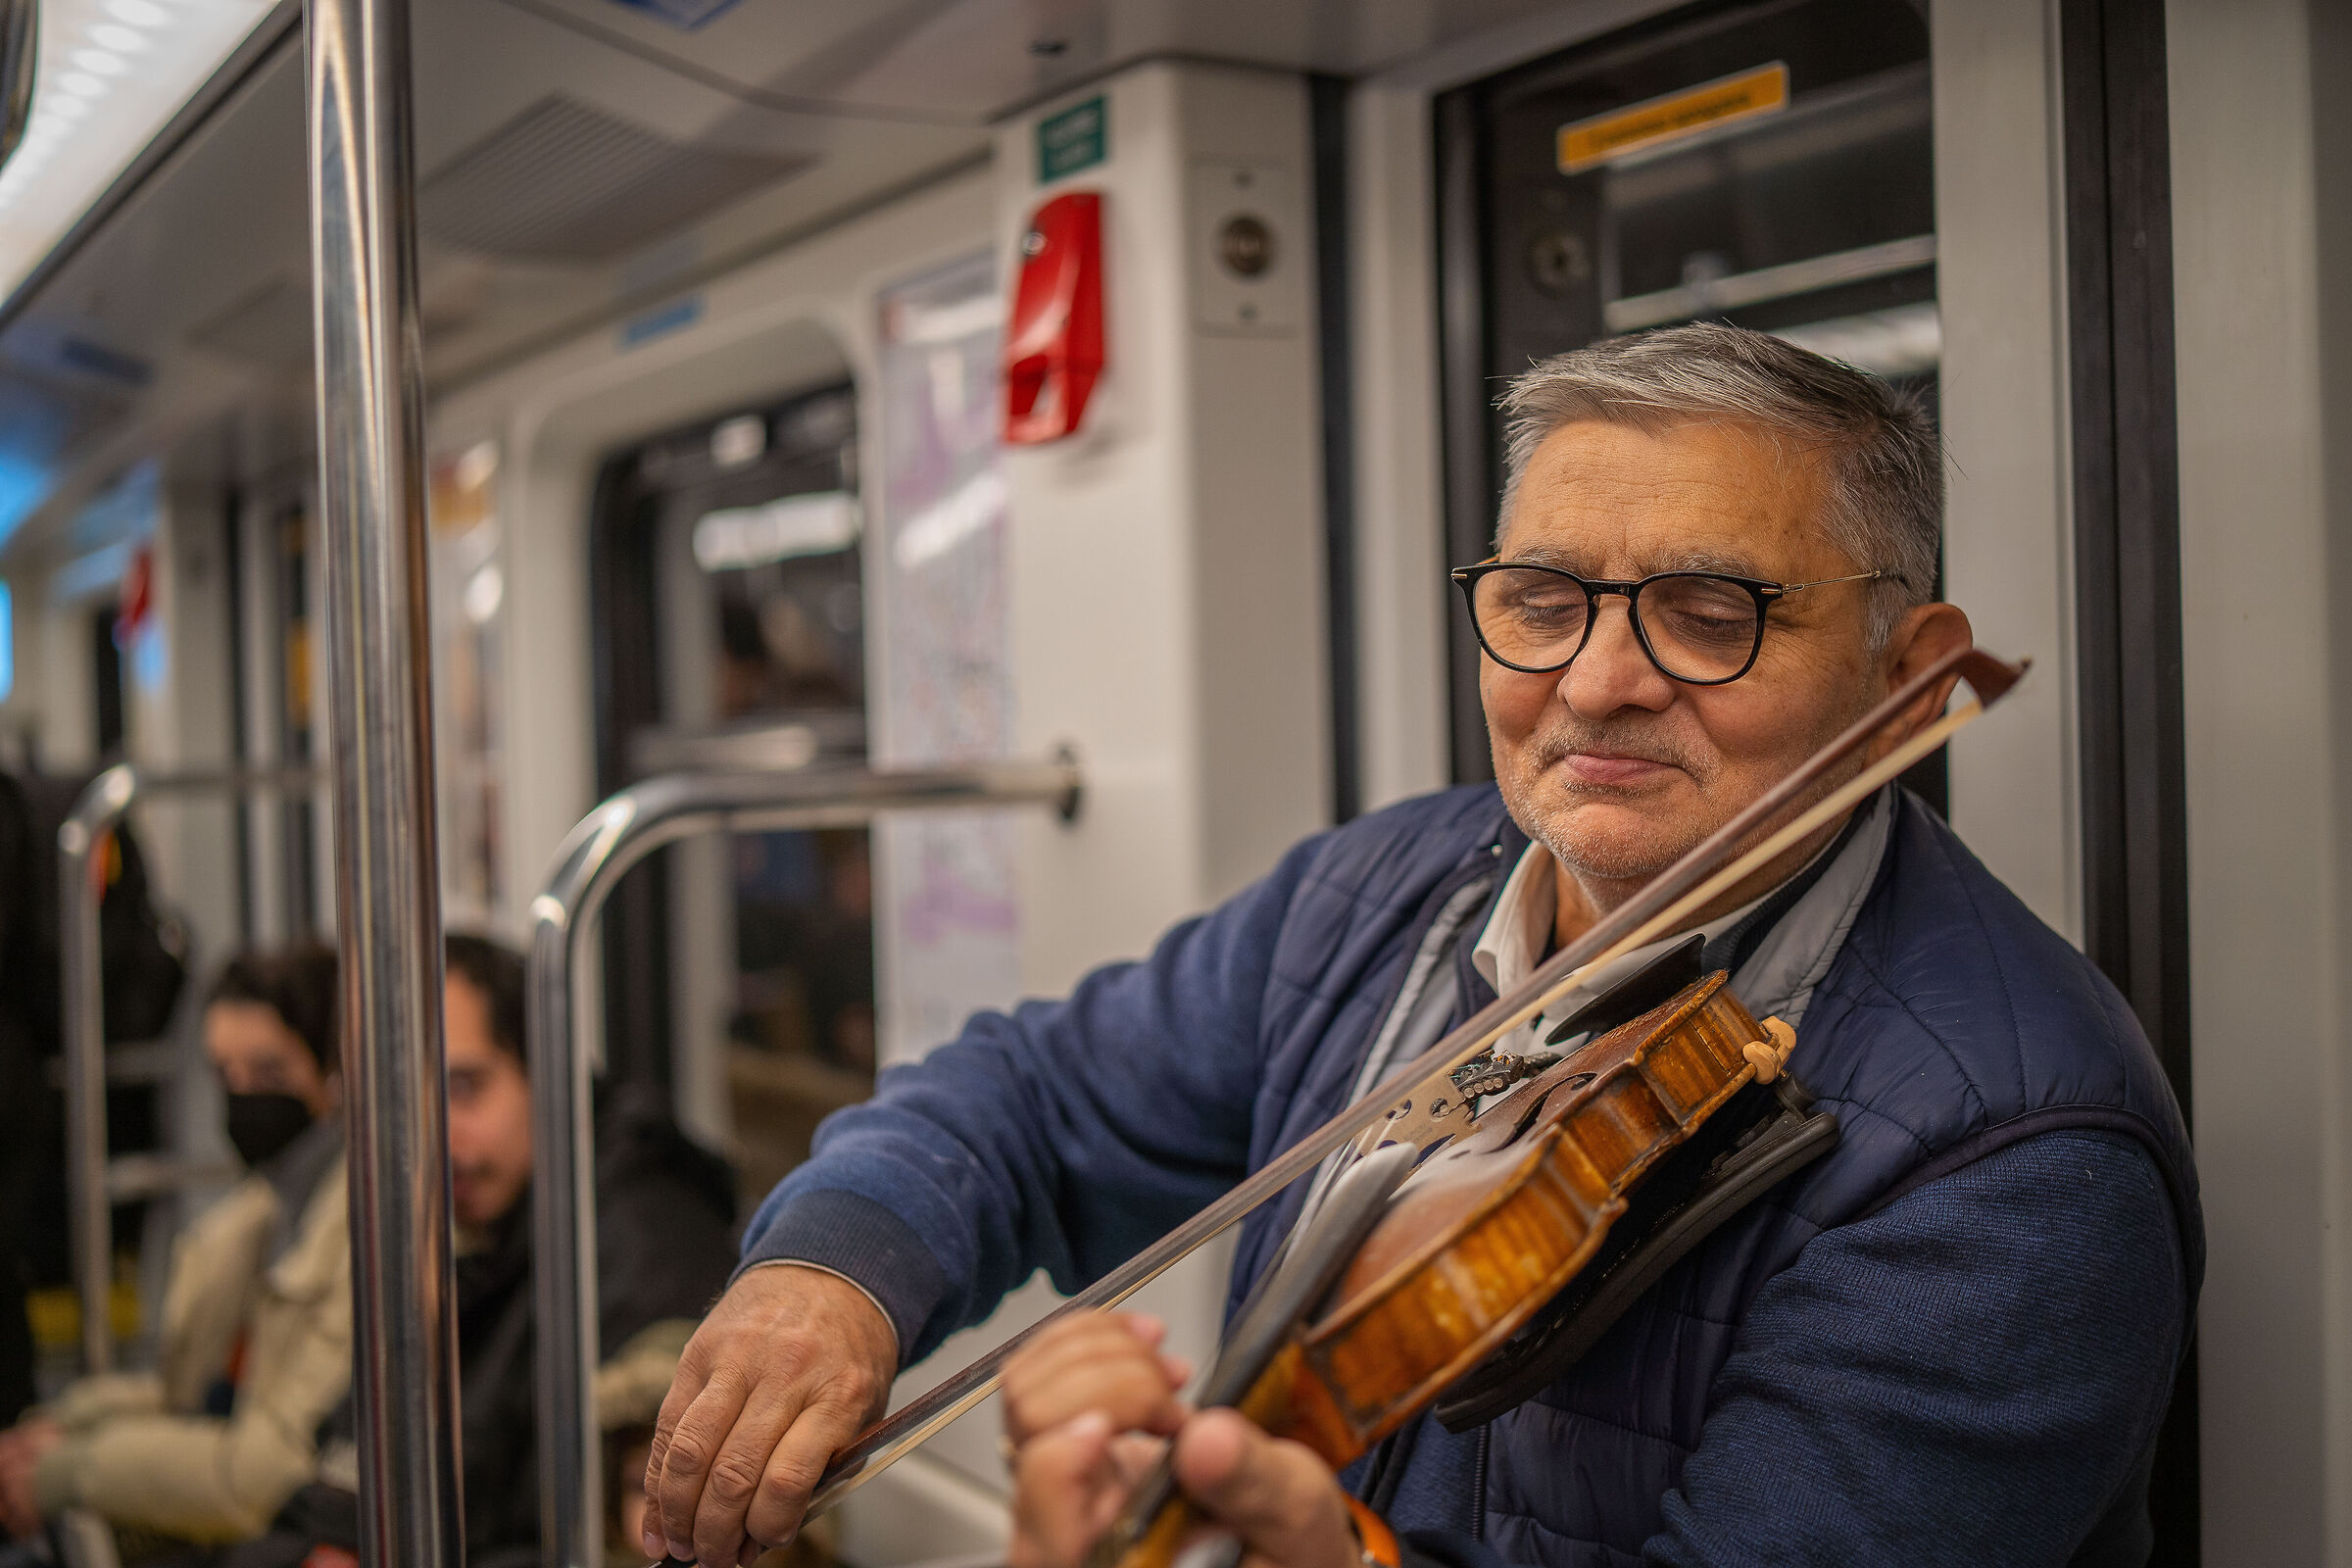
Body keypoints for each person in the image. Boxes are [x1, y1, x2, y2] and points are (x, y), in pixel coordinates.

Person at [638, 323, 2201, 1568]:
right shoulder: (1387, 888)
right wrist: (832, 1275)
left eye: (1711, 613)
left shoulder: (2013, 1168)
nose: (1597, 681)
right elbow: (1031, 1097)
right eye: (1543, 599)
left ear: (1909, 678)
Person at [0, 943, 349, 1553]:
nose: (243, 1099)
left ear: (334, 1073)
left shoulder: (352, 1231)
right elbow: (187, 1397)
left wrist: (66, 1471)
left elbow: (265, 1468)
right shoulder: (260, 1215)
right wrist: (59, 1426)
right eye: (225, 1076)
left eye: (268, 1074)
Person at [435, 933, 737, 1568]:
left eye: (465, 1087)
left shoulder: (641, 1255)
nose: (440, 1134)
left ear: (545, 1071)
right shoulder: (503, 1232)